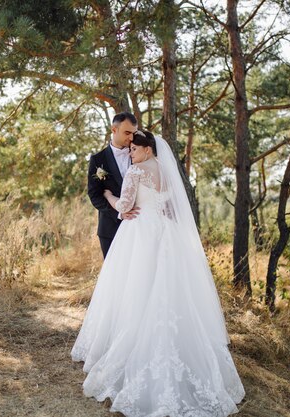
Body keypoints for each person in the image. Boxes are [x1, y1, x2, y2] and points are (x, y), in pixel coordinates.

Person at [72, 130, 245, 416]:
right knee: (168, 290)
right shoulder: (166, 172)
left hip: (139, 232)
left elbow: (126, 206)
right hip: (165, 234)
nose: (131, 154)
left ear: (148, 150)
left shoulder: (136, 172)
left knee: (134, 288)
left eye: (135, 149)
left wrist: (108, 195)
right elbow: (168, 205)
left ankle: (129, 346)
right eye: (129, 150)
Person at [87, 112, 140, 258]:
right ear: (114, 130)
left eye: (133, 133)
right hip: (110, 229)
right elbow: (94, 195)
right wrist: (119, 214)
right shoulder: (98, 160)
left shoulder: (140, 154)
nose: (131, 138)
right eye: (127, 132)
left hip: (139, 227)